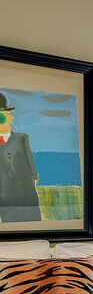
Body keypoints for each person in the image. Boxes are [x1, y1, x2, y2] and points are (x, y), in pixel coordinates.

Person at [0, 92, 42, 222]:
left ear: (8, 117)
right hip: (4, 195)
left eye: (3, 116)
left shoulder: (21, 138)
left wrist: (34, 177)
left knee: (32, 221)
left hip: (25, 192)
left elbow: (30, 162)